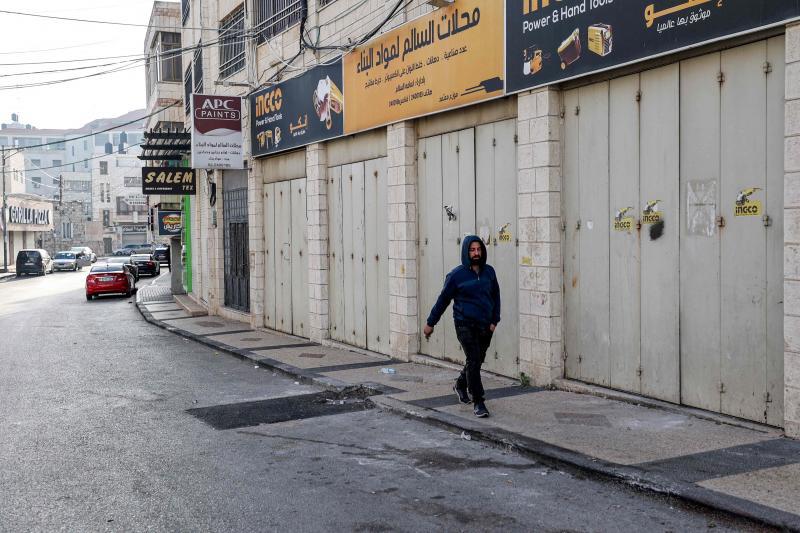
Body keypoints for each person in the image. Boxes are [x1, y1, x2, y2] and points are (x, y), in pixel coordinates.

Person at [423, 235, 500, 418]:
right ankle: (479, 401)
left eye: (478, 249)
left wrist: (494, 322)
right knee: (473, 359)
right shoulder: (456, 275)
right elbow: (443, 300)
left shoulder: (489, 272)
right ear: (466, 252)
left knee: (477, 360)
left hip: (485, 326)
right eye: (472, 250)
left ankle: (460, 384)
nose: (476, 253)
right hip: (464, 324)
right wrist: (430, 323)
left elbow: (496, 297)